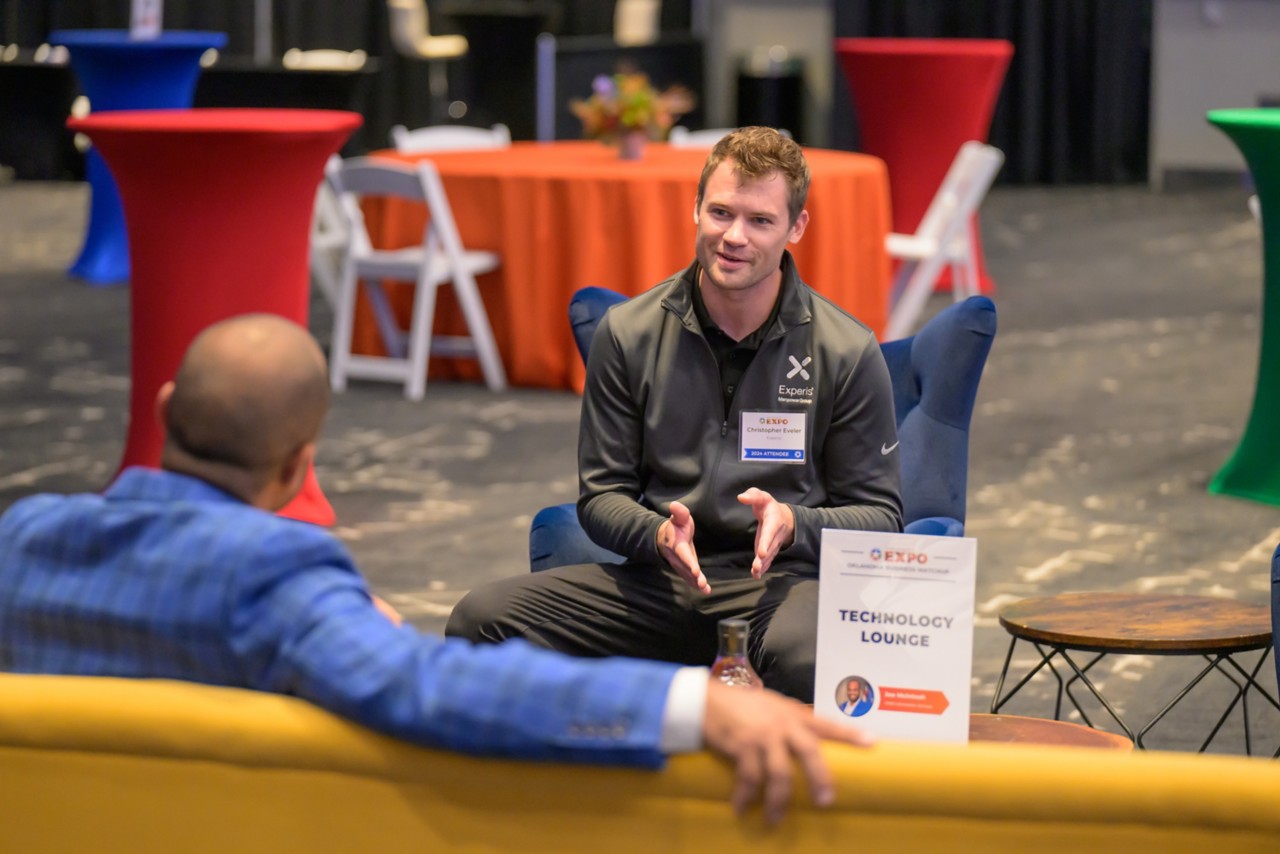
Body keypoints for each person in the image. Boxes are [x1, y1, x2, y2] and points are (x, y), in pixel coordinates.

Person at [0, 313, 871, 826]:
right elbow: (438, 690)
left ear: (161, 411)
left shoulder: (26, 534)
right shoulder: (277, 575)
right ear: (302, 464)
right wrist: (692, 704)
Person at [447, 127, 902, 702]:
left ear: (796, 228)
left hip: (780, 589)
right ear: (695, 208)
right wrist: (657, 532)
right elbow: (601, 495)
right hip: (660, 583)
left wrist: (794, 523)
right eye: (720, 212)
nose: (734, 236)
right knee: (479, 621)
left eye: (760, 220)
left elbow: (882, 516)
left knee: (813, 657)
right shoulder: (629, 333)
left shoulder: (844, 350)